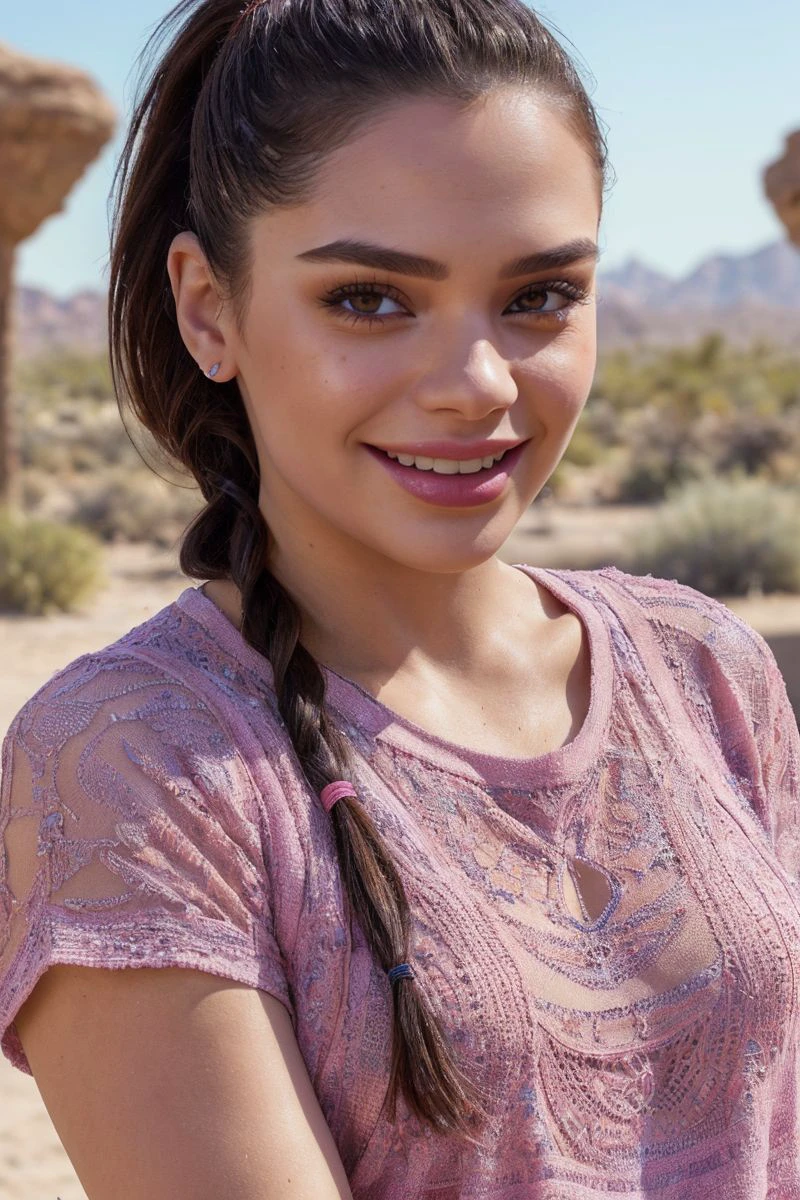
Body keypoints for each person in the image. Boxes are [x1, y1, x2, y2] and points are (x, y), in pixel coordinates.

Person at [1, 0, 798, 1196]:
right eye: (369, 299)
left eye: (537, 297)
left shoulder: (706, 668)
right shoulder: (134, 768)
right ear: (208, 308)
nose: (475, 386)